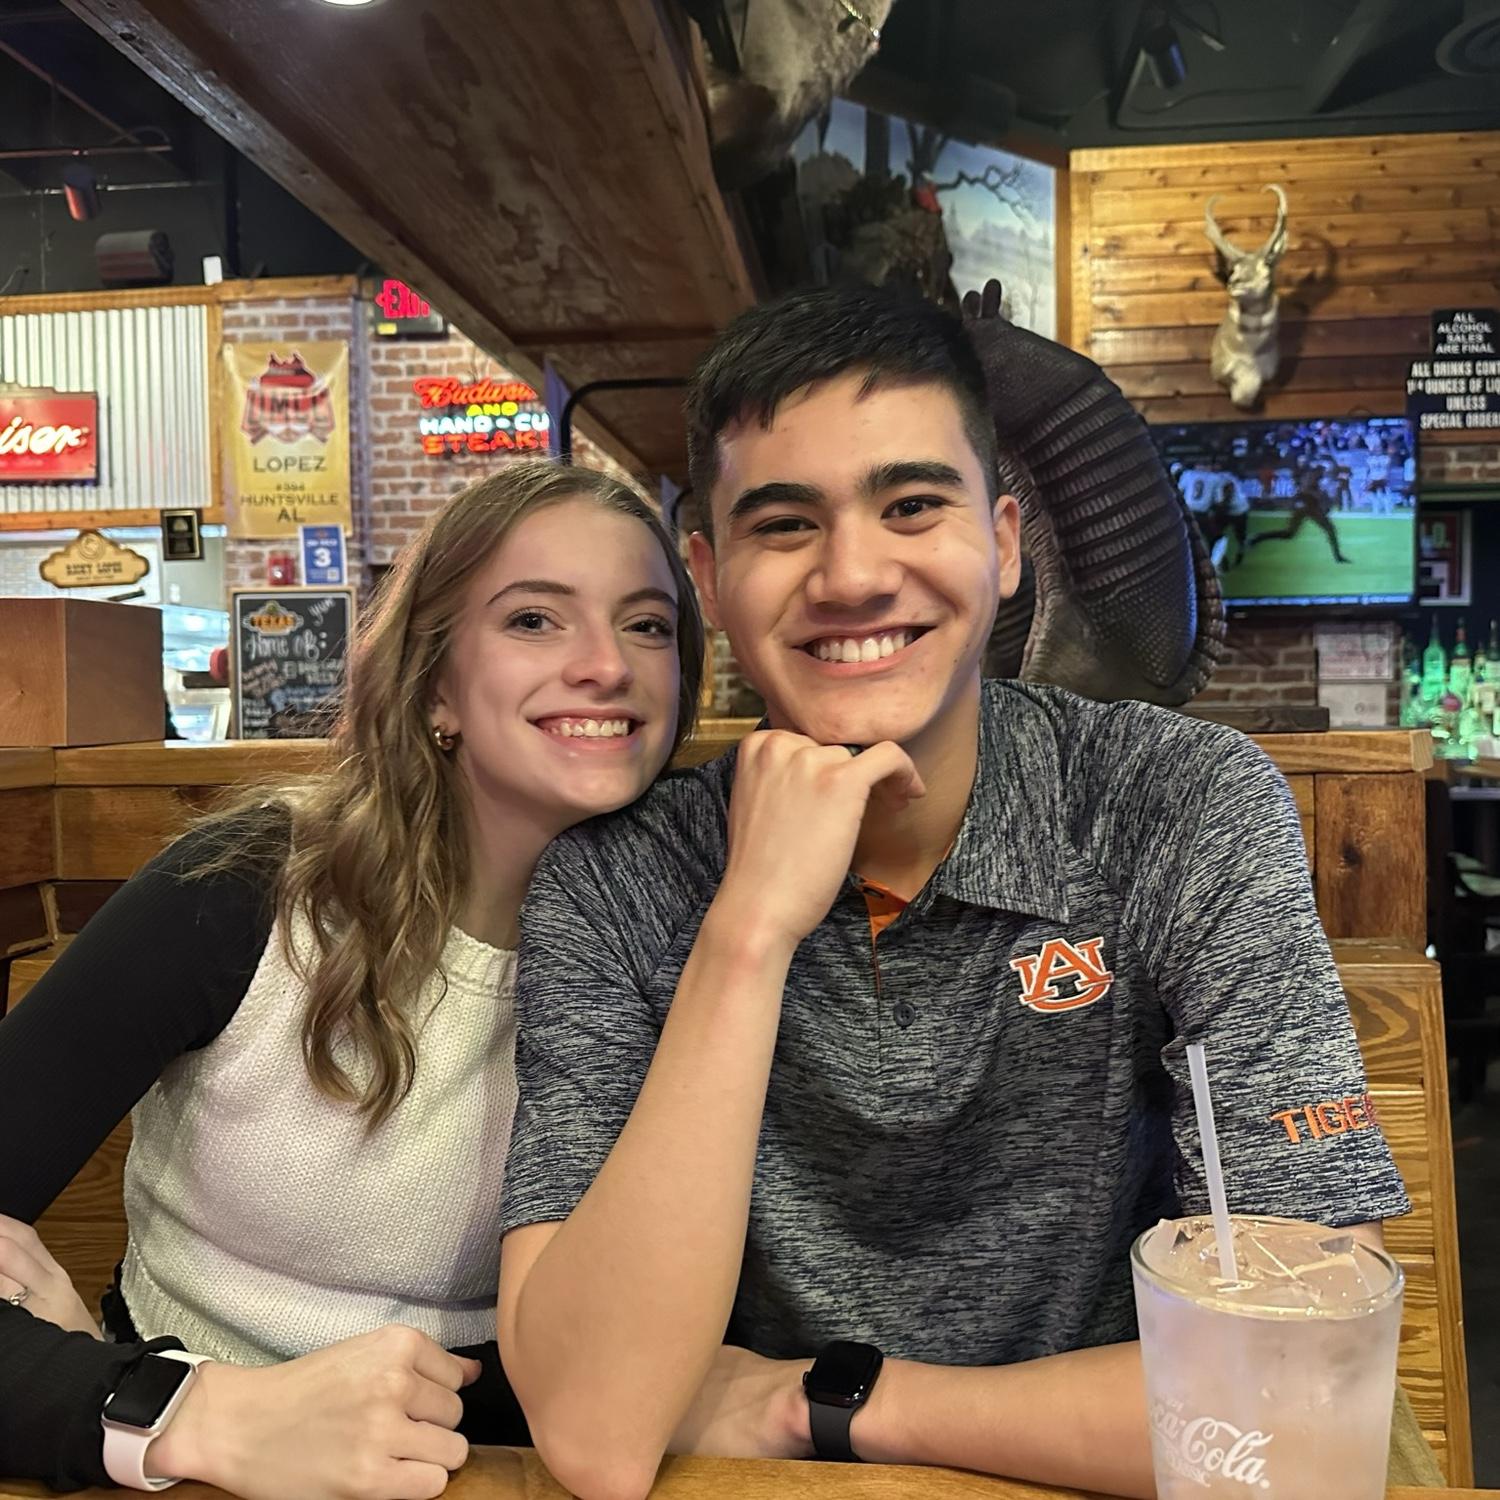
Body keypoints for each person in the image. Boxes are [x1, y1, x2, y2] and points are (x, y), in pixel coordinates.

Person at [494, 285, 1409, 1500]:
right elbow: (596, 1428)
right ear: (708, 577)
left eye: (913, 505)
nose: (853, 575)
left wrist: (829, 1402)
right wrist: (749, 929)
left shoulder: (1176, 805)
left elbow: (1304, 1398)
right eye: (785, 523)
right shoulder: (617, 880)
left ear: (1005, 542)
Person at [0, 461, 703, 1499]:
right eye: (534, 621)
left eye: (647, 625)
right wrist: (160, 1403)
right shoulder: (246, 887)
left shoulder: (709, 925)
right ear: (435, 685)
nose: (607, 665)